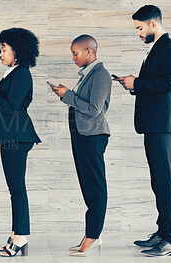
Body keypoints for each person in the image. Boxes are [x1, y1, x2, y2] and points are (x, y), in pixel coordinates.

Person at [116, 5, 171, 257]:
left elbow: (168, 83)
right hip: (154, 125)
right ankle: (162, 232)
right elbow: (156, 83)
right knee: (159, 181)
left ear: (153, 24)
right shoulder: (158, 48)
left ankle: (170, 239)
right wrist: (134, 85)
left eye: (140, 28)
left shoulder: (170, 48)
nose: (138, 33)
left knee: (166, 181)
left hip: (163, 126)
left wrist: (137, 83)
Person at [0, 27, 41, 257]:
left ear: (18, 49)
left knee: (17, 189)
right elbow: (2, 106)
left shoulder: (21, 73)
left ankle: (21, 237)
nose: (0, 53)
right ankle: (16, 234)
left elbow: (10, 107)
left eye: (4, 49)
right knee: (15, 189)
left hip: (17, 136)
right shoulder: (13, 72)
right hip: (12, 136)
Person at [50, 35, 111, 257]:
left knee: (95, 188)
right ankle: (90, 234)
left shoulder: (101, 75)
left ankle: (93, 235)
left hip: (93, 135)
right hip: (83, 135)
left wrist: (68, 96)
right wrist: (68, 95)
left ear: (90, 51)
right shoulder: (87, 75)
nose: (73, 57)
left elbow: (95, 109)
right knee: (88, 187)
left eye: (76, 53)